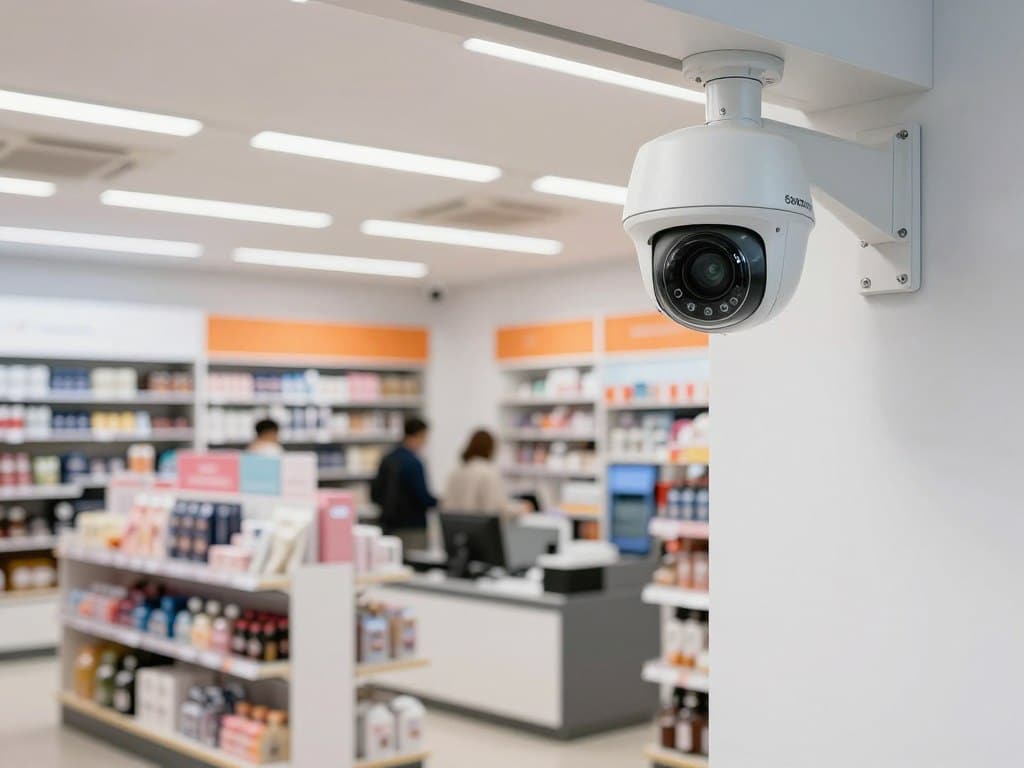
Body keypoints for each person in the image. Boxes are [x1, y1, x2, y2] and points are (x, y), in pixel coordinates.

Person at [371, 417, 437, 551]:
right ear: (420, 435)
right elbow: (422, 497)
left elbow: (375, 493)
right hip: (411, 527)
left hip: (388, 525)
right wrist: (438, 502)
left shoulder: (388, 458)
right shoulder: (414, 463)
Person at [443, 429, 525, 517]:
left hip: (455, 529)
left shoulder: (455, 473)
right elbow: (497, 509)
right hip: (479, 529)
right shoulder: (488, 473)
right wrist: (521, 508)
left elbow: (446, 506)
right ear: (490, 449)